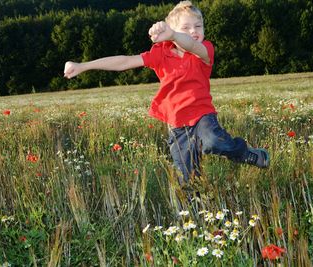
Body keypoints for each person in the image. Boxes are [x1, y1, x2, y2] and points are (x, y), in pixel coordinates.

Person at [64, 1, 269, 184]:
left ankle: (244, 152)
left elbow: (190, 44)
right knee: (187, 181)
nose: (193, 31)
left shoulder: (203, 51)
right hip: (177, 126)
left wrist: (173, 34)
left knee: (213, 142)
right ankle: (195, 216)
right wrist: (83, 66)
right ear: (171, 30)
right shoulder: (161, 54)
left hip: (202, 117)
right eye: (186, 27)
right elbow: (124, 61)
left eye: (198, 26)